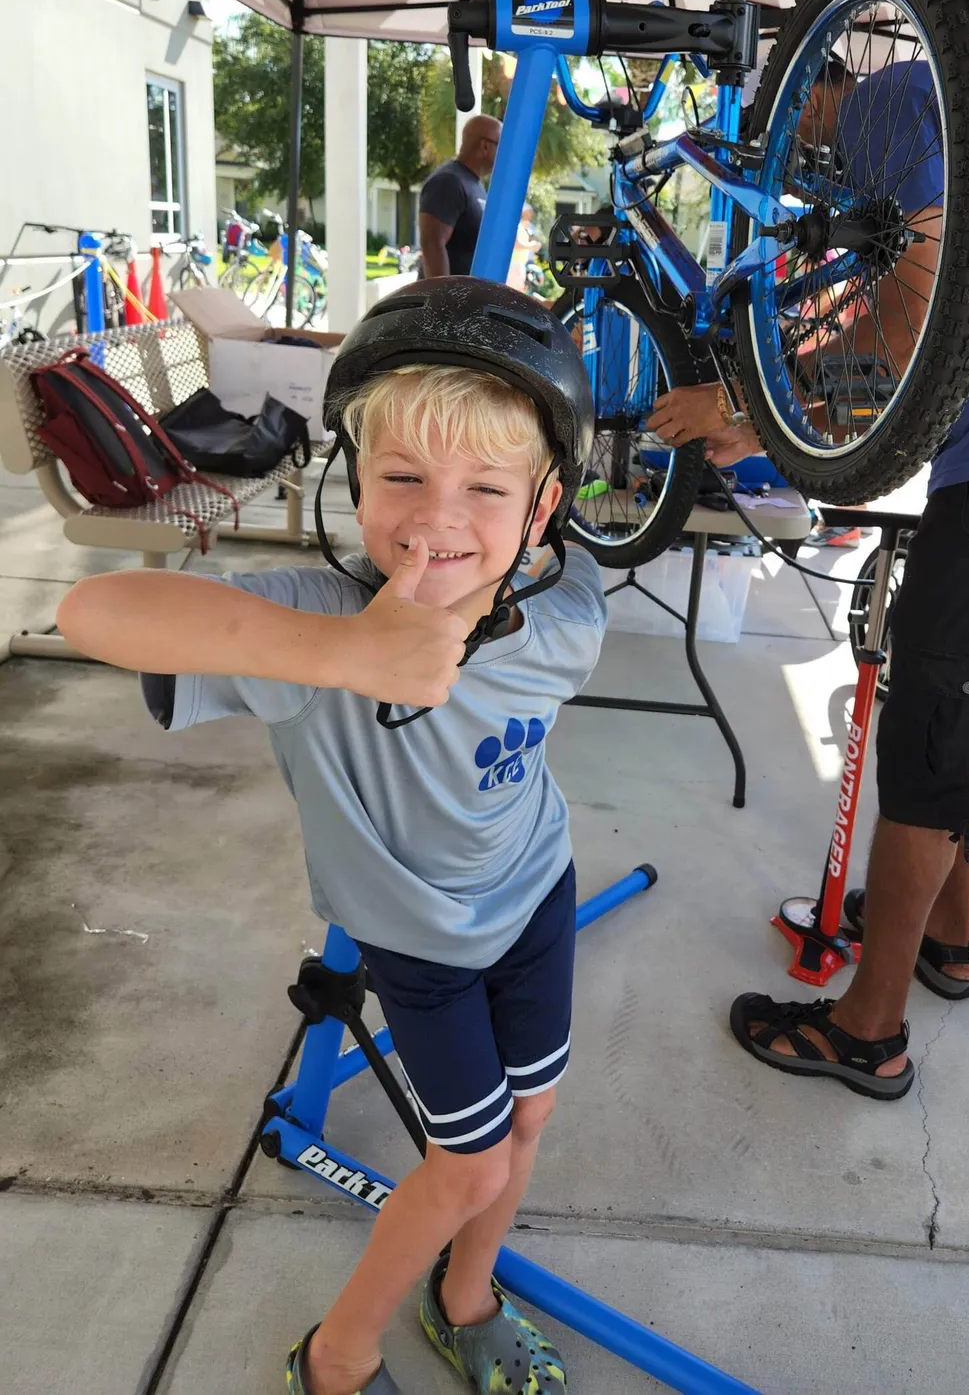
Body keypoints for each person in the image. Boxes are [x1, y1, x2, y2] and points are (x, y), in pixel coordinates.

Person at [58, 278, 604, 1395]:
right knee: (466, 1167)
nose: (437, 517)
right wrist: (343, 657)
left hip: (537, 896)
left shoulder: (566, 613)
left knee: (531, 1116)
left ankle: (465, 1298)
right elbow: (93, 615)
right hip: (420, 942)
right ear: (354, 480)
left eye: (485, 488)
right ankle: (336, 1355)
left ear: (542, 507)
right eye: (402, 477)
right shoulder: (318, 615)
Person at [655, 75, 969, 1101]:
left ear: (815, 84)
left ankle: (866, 1029)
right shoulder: (954, 109)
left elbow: (900, 319)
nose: (797, 163)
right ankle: (947, 934)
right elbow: (910, 348)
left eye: (785, 126)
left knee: (944, 719)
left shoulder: (887, 102)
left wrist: (743, 397)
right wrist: (771, 422)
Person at [418, 115, 502, 278]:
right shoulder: (448, 181)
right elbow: (432, 243)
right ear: (484, 146)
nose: (503, 153)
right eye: (500, 145)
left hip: (470, 292)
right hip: (448, 294)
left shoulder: (474, 184)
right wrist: (444, 292)